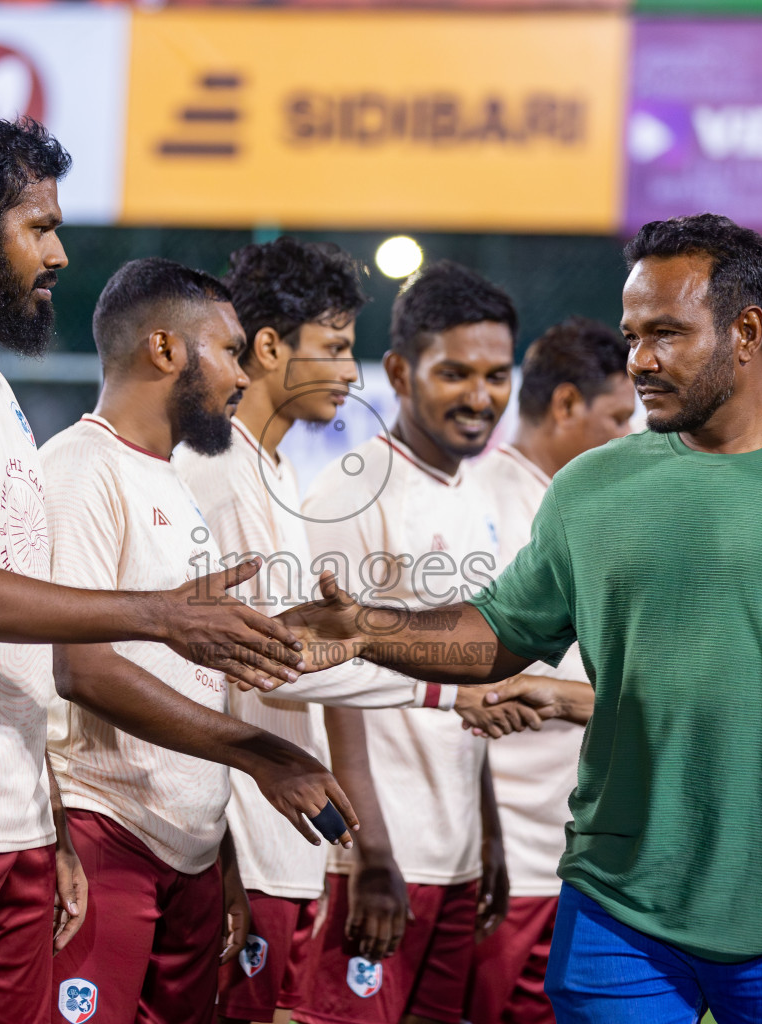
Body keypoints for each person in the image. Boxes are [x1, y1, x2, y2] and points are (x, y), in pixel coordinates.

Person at [276, 214, 762, 1024]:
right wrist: (366, 628)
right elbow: (500, 634)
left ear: (746, 332)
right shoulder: (592, 487)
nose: (639, 359)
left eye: (666, 334)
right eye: (632, 334)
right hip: (620, 902)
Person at [0, 116, 305, 1024]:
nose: (56, 254)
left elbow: (21, 644)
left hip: (14, 811)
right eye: (38, 227)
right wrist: (158, 615)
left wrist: (45, 816)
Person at [42, 257, 359, 1024]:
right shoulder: (77, 470)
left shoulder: (174, 484)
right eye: (227, 350)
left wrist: (218, 853)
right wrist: (258, 753)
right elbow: (81, 670)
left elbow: (195, 671)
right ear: (165, 350)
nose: (242, 375)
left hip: (189, 846)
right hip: (105, 830)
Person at [174, 238, 454, 1024]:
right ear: (269, 348)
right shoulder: (218, 470)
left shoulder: (272, 470)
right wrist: (446, 683)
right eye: (334, 348)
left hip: (283, 836)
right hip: (239, 835)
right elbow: (260, 659)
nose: (353, 373)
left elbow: (300, 648)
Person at [289, 261, 516, 1024]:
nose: (480, 397)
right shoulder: (352, 493)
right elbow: (328, 681)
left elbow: (470, 685)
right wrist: (368, 854)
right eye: (455, 373)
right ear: (399, 371)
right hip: (382, 862)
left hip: (450, 854)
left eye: (496, 374)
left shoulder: (473, 489)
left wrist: (487, 834)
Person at [462, 317, 633, 1024]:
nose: (630, 436)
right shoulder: (477, 505)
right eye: (619, 416)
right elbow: (459, 675)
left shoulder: (601, 512)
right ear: (565, 405)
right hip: (501, 858)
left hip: (575, 858)